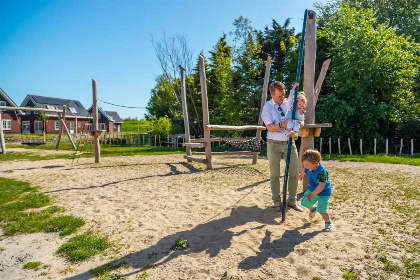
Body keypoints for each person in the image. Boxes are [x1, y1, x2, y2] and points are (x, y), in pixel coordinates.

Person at [261, 81, 303, 212]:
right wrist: (282, 125)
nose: (282, 98)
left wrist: (299, 120)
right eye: (279, 96)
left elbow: (298, 112)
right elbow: (270, 128)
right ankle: (276, 201)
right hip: (274, 143)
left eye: (283, 95)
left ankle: (292, 200)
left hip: (289, 142)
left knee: (294, 172)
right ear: (272, 95)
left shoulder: (288, 102)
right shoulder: (267, 107)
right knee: (275, 174)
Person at [298, 149, 334, 231]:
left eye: (307, 164)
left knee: (321, 209)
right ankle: (313, 209)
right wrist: (301, 175)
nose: (306, 166)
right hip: (312, 189)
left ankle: (328, 223)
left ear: (315, 162)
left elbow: (321, 186)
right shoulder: (308, 167)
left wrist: (312, 194)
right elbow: (304, 169)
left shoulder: (322, 172)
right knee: (305, 202)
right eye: (304, 164)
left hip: (324, 193)